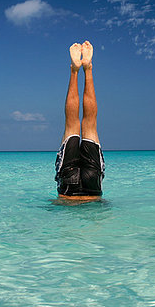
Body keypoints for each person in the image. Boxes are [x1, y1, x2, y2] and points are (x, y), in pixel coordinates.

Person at [55, 41, 105, 200]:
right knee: (72, 124)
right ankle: (82, 69)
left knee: (89, 124)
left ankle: (81, 69)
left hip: (74, 190)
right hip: (87, 192)